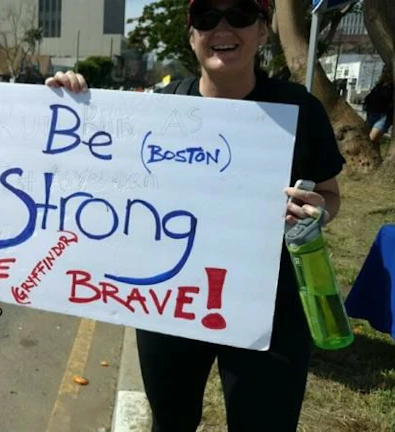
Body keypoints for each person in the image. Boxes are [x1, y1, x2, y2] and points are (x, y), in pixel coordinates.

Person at [47, 0, 345, 431]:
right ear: (192, 37)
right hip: (171, 305)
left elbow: (331, 195)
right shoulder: (157, 107)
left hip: (268, 308)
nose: (223, 27)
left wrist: (318, 211)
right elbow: (90, 177)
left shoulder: (299, 108)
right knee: (171, 422)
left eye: (240, 15)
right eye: (207, 18)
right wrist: (68, 103)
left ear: (264, 32)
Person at [363, 68, 393, 145]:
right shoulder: (379, 85)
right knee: (368, 141)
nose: (386, 74)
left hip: (383, 117)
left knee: (371, 141)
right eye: (384, 71)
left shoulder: (392, 87)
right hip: (371, 114)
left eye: (389, 72)